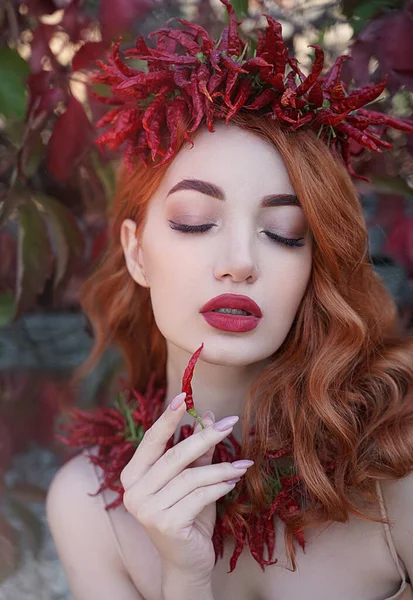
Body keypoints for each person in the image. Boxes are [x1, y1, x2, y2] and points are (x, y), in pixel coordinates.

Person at [45, 2, 413, 599]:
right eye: (195, 222)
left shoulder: (396, 474)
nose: (240, 260)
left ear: (315, 260)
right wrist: (184, 578)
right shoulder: (90, 510)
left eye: (285, 232)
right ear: (137, 253)